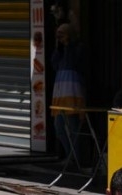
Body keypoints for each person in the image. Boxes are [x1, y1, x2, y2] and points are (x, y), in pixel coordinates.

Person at [51, 21, 87, 166]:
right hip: (60, 93)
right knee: (59, 127)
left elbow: (74, 62)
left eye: (62, 34)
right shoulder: (60, 50)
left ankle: (77, 160)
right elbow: (54, 64)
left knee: (73, 128)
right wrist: (59, 47)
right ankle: (70, 155)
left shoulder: (78, 48)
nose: (59, 37)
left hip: (73, 93)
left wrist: (68, 45)